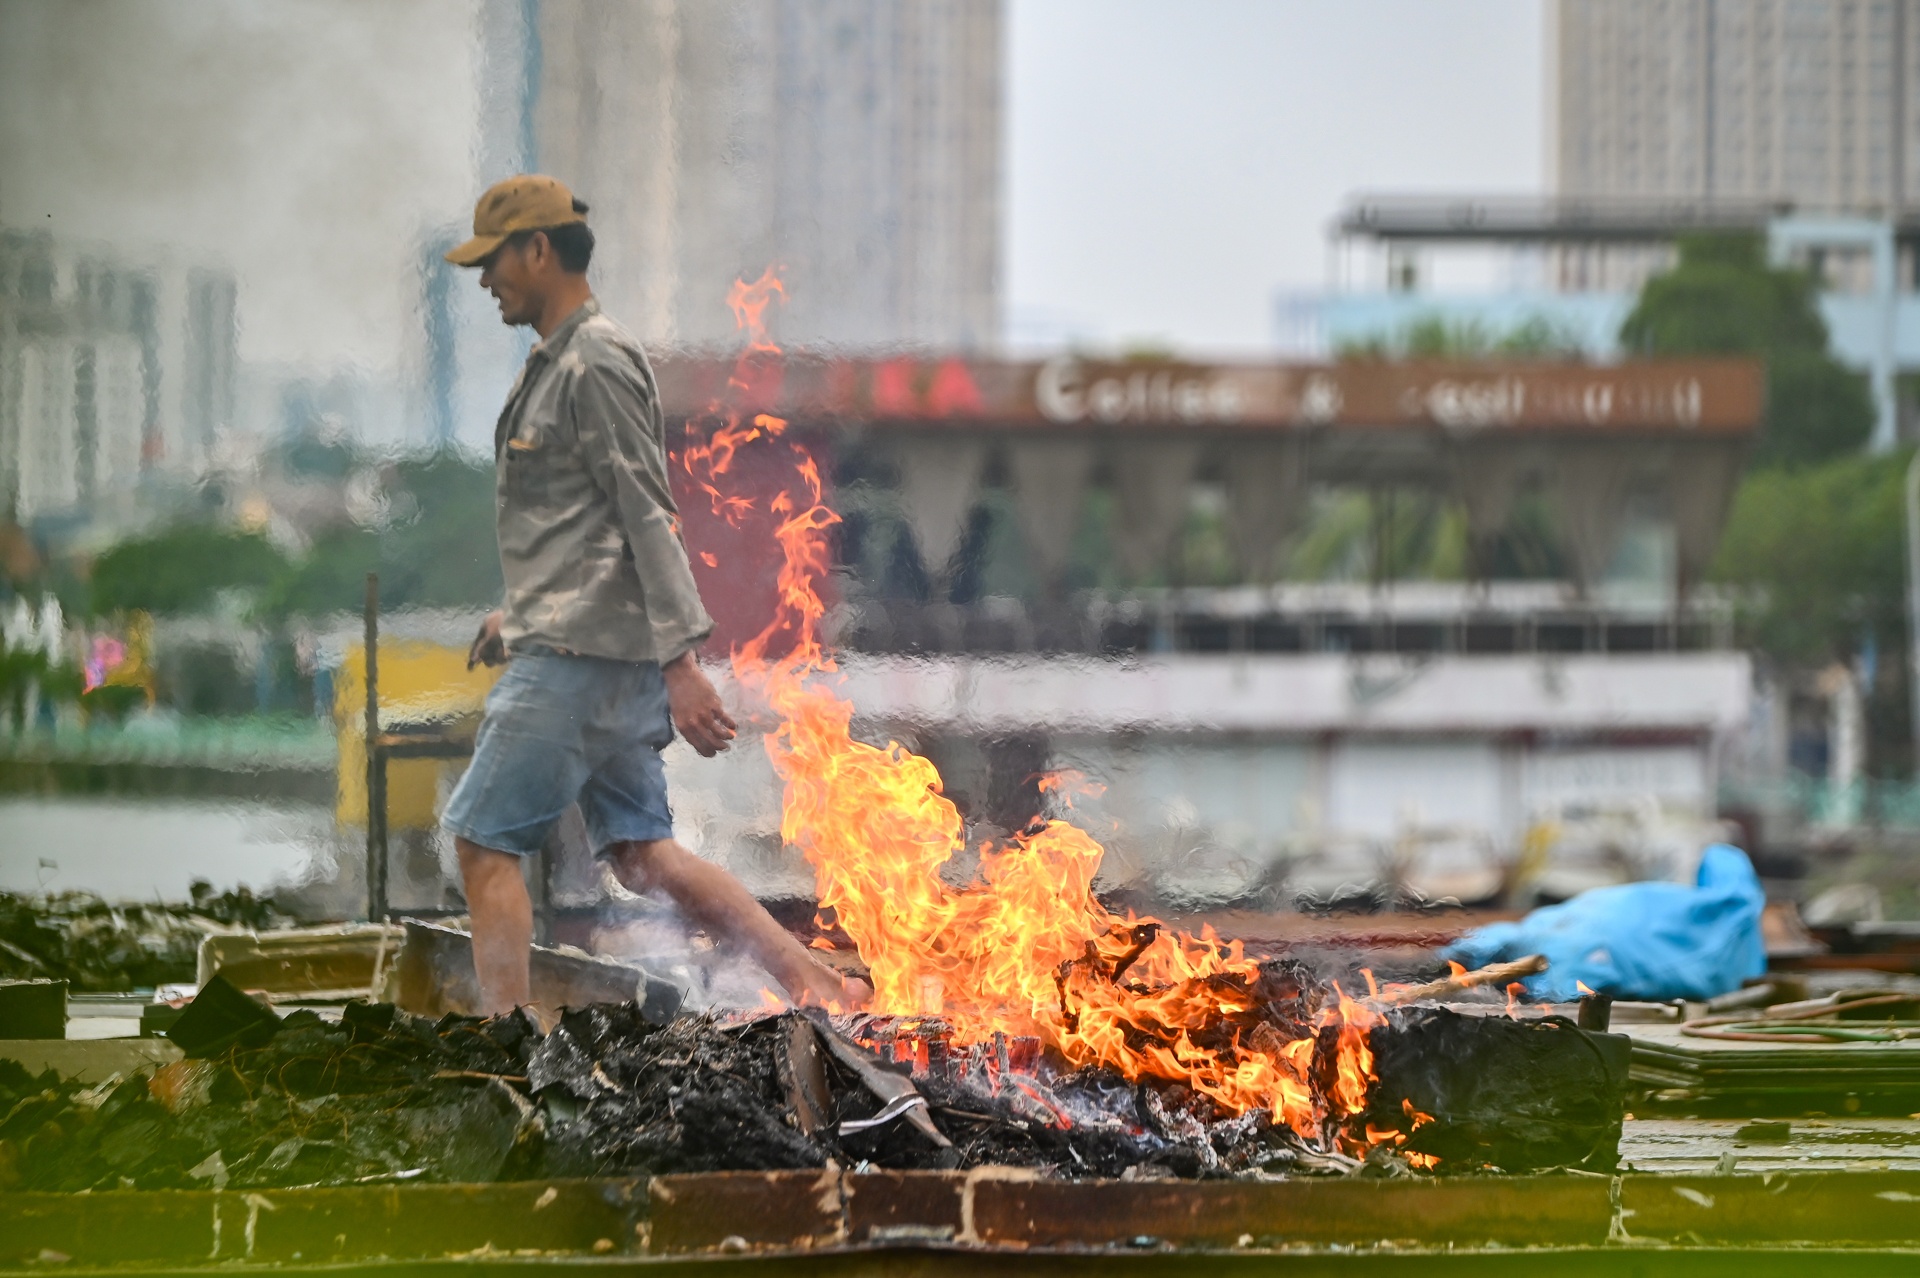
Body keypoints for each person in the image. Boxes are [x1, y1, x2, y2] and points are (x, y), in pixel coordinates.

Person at [438, 174, 859, 1015]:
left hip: (578, 666)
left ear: (539, 250)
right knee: (645, 855)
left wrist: (681, 663)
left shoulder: (592, 362)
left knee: (484, 845)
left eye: (495, 262)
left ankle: (508, 1049)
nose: (486, 281)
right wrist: (513, 618)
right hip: (582, 648)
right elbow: (582, 534)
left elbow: (646, 514)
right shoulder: (558, 363)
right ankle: (812, 978)